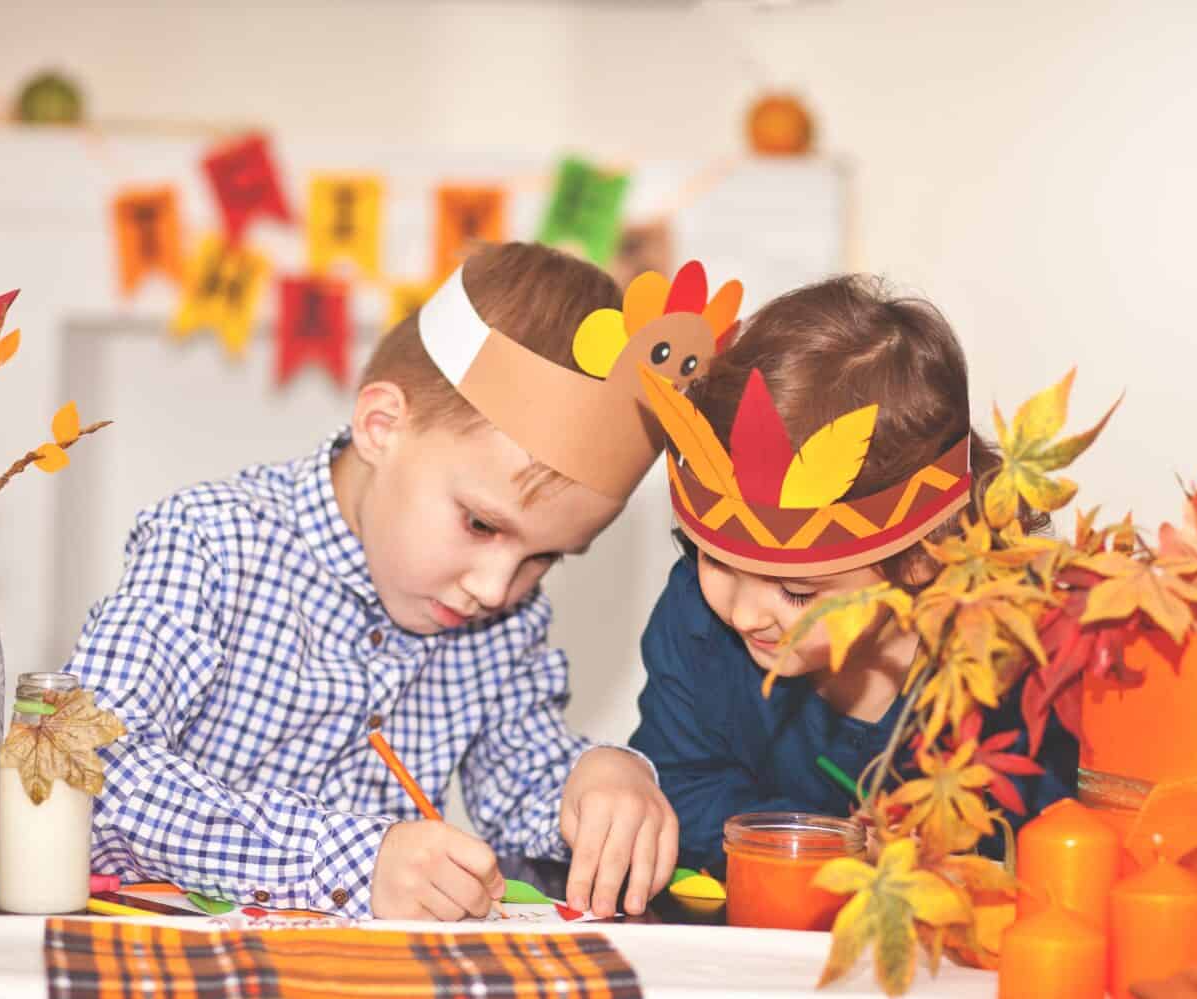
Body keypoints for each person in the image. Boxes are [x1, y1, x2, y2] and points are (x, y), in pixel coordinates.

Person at [68, 243, 740, 918]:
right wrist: (354, 861)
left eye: (546, 557)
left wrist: (597, 781)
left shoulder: (498, 619)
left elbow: (523, 777)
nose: (496, 587)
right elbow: (84, 773)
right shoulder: (209, 545)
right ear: (381, 426)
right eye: (481, 524)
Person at [630, 274, 1078, 874]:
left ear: (922, 559)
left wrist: (924, 861)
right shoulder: (696, 620)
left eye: (795, 590)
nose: (740, 610)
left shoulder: (1010, 656)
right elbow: (680, 785)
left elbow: (1052, 834)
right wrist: (820, 845)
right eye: (716, 560)